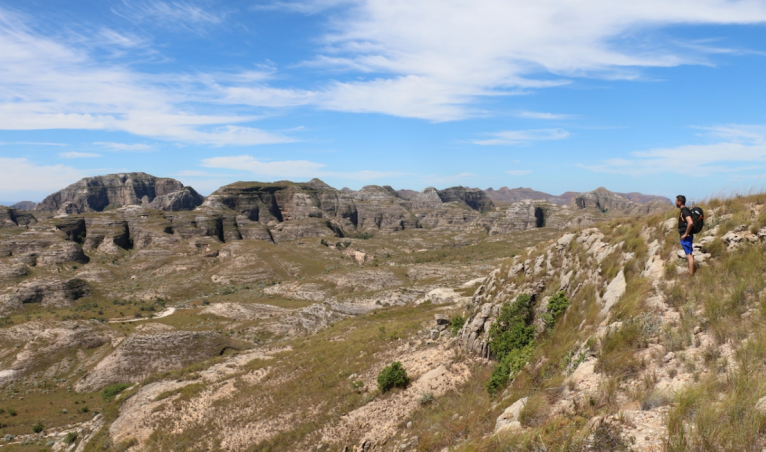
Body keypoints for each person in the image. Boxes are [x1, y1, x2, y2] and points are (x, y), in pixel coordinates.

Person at [676, 195, 694, 276]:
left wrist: (685, 234)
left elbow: (690, 222)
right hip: (687, 236)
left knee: (689, 256)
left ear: (679, 202)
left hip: (686, 237)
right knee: (689, 254)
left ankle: (690, 274)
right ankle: (690, 271)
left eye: (676, 201)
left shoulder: (684, 210)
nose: (675, 202)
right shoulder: (684, 210)